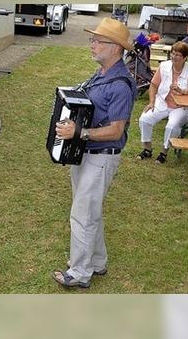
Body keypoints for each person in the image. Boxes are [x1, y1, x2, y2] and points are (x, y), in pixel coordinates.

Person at [52, 18, 136, 288]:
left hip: (101, 155)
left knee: (82, 214)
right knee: (90, 211)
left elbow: (116, 130)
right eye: (92, 39)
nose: (92, 45)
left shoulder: (121, 84)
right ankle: (97, 262)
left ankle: (79, 273)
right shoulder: (101, 74)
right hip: (86, 153)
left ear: (115, 48)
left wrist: (79, 133)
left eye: (98, 41)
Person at [137, 41, 188, 164]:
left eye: (177, 55)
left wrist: (183, 91)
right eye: (172, 53)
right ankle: (147, 149)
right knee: (144, 119)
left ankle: (163, 152)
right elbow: (153, 85)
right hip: (162, 102)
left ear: (185, 58)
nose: (174, 57)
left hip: (181, 107)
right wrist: (152, 102)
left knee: (171, 126)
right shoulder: (164, 66)